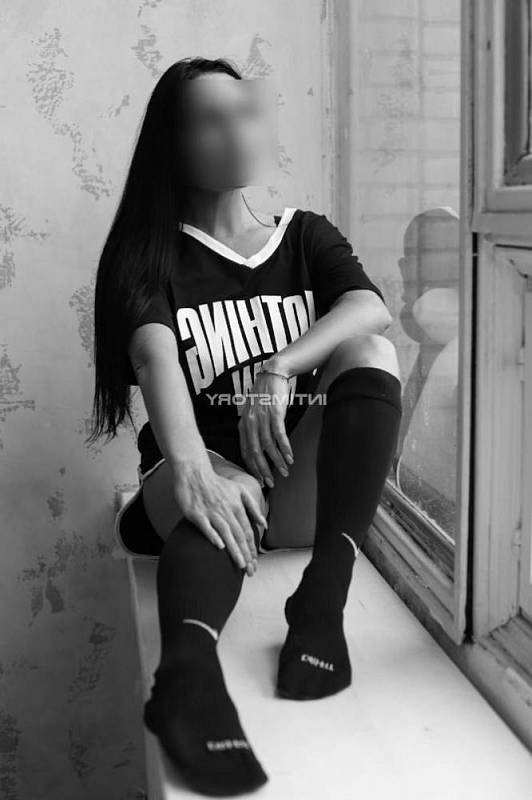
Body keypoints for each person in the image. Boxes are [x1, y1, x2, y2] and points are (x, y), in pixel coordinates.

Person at [87, 56, 402, 798]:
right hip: (190, 485)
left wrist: (279, 367)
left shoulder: (304, 236)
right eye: (210, 119)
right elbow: (154, 357)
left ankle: (322, 602)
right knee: (223, 484)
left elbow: (370, 308)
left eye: (245, 111)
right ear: (173, 145)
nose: (237, 131)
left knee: (369, 351)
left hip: (294, 495)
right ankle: (187, 676)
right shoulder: (150, 256)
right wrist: (201, 470)